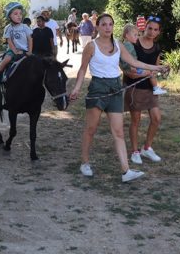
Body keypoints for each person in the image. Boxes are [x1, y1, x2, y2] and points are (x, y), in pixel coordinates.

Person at [69, 13, 167, 183]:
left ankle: (125, 170)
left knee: (119, 132)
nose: (108, 27)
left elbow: (135, 63)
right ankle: (85, 163)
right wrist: (77, 88)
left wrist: (157, 68)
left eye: (110, 24)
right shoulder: (91, 46)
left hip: (115, 89)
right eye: (104, 24)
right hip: (98, 89)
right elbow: (83, 69)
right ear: (97, 27)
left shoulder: (118, 45)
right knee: (91, 129)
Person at [123, 16, 166, 165]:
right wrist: (146, 73)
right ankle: (135, 151)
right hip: (134, 87)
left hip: (150, 87)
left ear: (159, 32)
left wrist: (162, 70)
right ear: (144, 27)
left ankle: (147, 148)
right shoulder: (133, 44)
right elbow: (127, 69)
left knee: (156, 118)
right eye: (150, 28)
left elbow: (156, 66)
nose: (152, 32)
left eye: (155, 30)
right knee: (136, 120)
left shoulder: (157, 47)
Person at [0, 2, 33, 85]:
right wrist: (15, 51)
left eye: (20, 14)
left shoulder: (25, 27)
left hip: (25, 51)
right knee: (6, 59)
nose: (19, 16)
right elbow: (9, 41)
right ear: (9, 16)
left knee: (35, 62)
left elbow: (30, 39)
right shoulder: (8, 28)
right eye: (15, 14)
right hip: (12, 50)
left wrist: (30, 51)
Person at [120, 24, 167, 96]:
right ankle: (155, 88)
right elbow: (127, 59)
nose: (137, 37)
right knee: (150, 72)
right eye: (135, 35)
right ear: (127, 35)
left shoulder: (126, 44)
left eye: (137, 35)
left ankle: (155, 88)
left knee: (149, 72)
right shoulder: (128, 45)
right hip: (132, 67)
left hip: (131, 67)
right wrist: (132, 68)